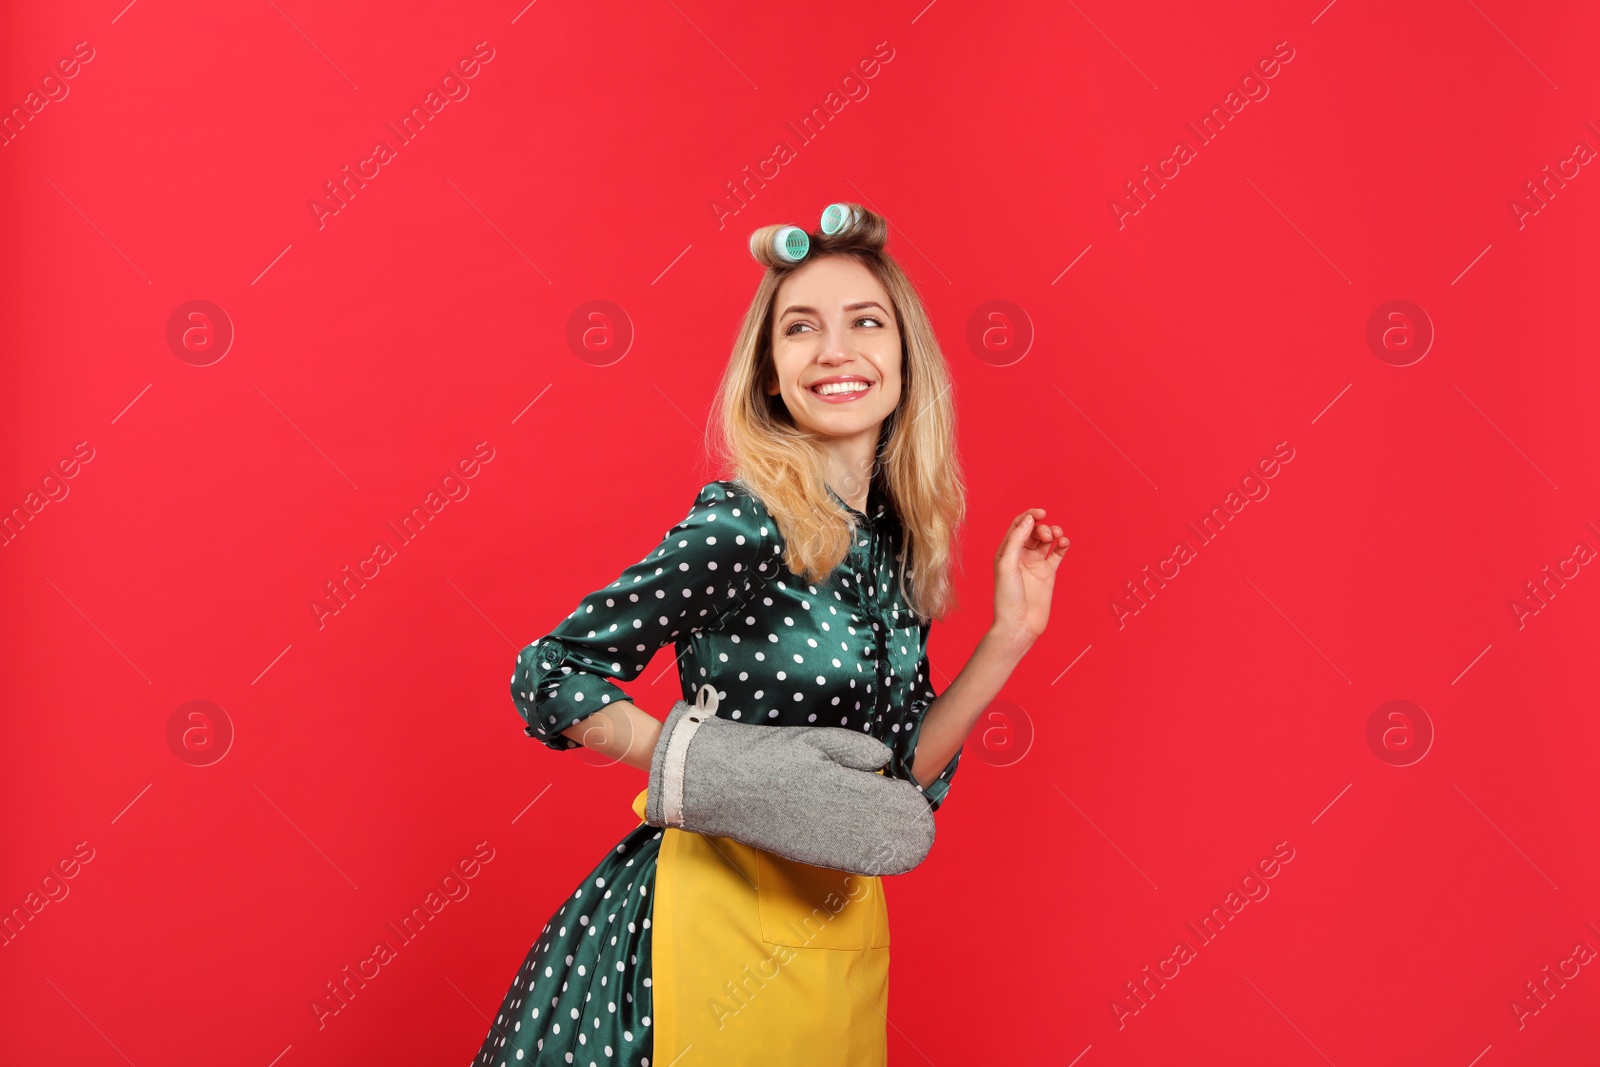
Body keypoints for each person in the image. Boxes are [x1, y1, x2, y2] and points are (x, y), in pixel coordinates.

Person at [474, 203, 1069, 1066]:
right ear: (770, 374)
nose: (836, 349)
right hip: (703, 933)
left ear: (906, 357)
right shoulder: (746, 525)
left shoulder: (892, 552)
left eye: (865, 321)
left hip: (836, 934)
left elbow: (896, 784)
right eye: (801, 328)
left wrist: (1010, 635)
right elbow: (551, 671)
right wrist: (714, 767)